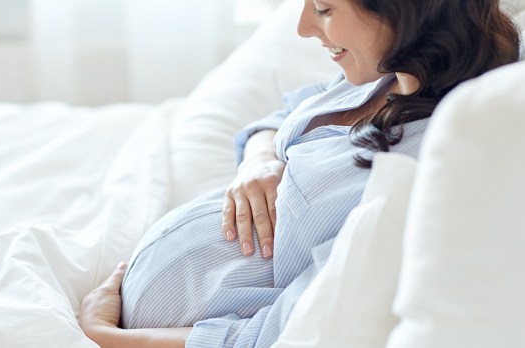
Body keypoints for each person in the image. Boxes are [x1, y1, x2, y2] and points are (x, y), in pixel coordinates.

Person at [78, 0, 521, 347]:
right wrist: (260, 160)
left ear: (404, 12)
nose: (303, 27)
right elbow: (285, 113)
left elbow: (284, 330)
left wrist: (111, 339)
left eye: (325, 10)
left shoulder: (421, 166)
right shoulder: (386, 74)